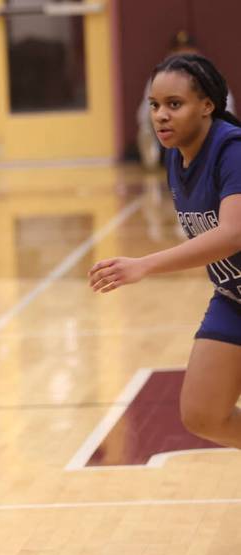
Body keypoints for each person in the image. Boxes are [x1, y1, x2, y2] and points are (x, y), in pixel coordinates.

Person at [89, 54, 241, 449]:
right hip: (234, 296)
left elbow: (232, 234)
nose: (161, 116)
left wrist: (144, 265)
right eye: (155, 105)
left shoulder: (232, 151)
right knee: (203, 414)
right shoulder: (176, 157)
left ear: (207, 105)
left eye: (175, 104)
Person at [137, 32, 234, 169]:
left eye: (175, 104)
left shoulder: (208, 77)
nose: (160, 115)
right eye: (179, 52)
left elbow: (228, 109)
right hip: (172, 146)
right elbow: (144, 115)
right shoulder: (159, 78)